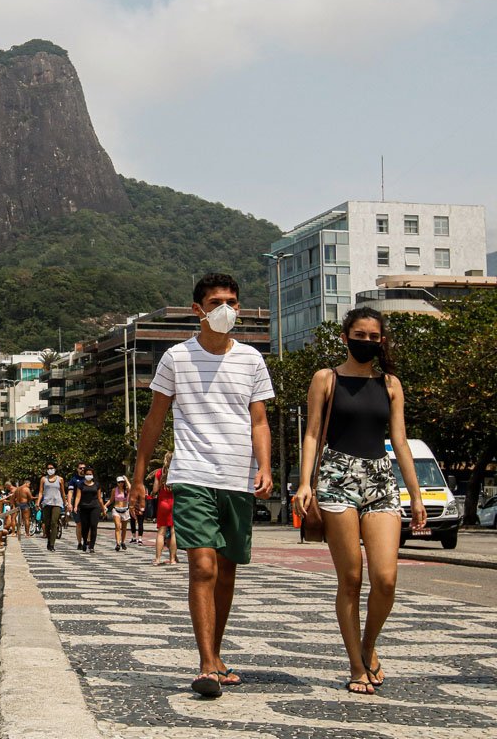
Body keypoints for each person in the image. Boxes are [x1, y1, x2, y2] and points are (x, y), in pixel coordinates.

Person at [131, 273, 274, 699]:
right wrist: (140, 476)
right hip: (193, 474)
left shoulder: (252, 359)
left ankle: (216, 653)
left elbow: (260, 420)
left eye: (232, 301)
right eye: (215, 302)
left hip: (238, 477)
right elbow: (155, 419)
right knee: (203, 567)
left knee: (227, 570)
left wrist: (265, 466)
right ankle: (206, 662)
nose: (225, 309)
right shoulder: (176, 357)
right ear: (198, 309)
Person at [293, 307, 427, 696]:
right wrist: (306, 483)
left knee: (385, 578)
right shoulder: (326, 379)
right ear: (344, 336)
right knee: (350, 579)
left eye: (373, 337)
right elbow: (313, 434)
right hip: (336, 479)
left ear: (381, 340)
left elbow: (400, 441)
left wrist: (415, 494)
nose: (366, 342)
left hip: (380, 479)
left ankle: (369, 645)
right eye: (359, 335)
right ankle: (356, 664)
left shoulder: (391, 384)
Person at [152, 453, 178, 565]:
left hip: (163, 503)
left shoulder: (159, 473)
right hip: (174, 502)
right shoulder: (177, 473)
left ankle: (157, 559)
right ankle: (172, 559)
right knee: (173, 531)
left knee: (161, 532)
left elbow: (155, 489)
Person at [36, 463, 67, 551]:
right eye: (48, 468)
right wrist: (38, 502)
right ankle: (49, 540)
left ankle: (52, 544)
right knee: (47, 524)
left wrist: (66, 503)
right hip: (46, 503)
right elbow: (41, 492)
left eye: (52, 468)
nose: (50, 470)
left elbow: (62, 492)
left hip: (57, 503)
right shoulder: (43, 479)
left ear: (55, 469)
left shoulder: (60, 479)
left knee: (54, 522)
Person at [71, 468, 103, 552]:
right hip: (84, 507)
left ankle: (92, 546)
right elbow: (78, 496)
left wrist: (103, 508)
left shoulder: (97, 485)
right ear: (85, 475)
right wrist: (75, 506)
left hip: (95, 507)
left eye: (90, 474)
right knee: (85, 527)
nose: (89, 476)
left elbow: (100, 498)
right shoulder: (81, 485)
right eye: (87, 474)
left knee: (93, 526)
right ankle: (85, 541)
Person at [111, 477, 131, 551]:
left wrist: (126, 479)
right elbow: (111, 500)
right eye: (119, 482)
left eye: (122, 482)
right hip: (116, 509)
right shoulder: (114, 490)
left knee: (124, 528)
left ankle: (122, 542)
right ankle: (118, 543)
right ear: (117, 483)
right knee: (117, 526)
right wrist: (104, 506)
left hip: (125, 510)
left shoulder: (126, 490)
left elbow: (130, 487)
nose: (121, 483)